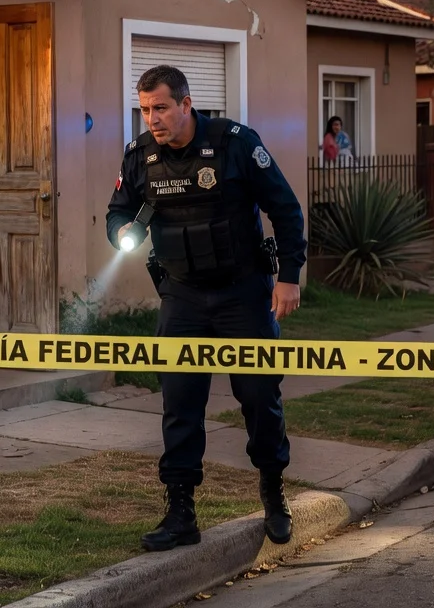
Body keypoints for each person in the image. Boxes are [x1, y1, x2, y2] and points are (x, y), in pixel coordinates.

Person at [107, 64, 307, 552]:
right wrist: (123, 233)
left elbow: (284, 208)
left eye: (161, 108)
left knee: (260, 397)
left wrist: (287, 277)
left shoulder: (236, 142)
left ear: (186, 104)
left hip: (243, 292)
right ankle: (180, 512)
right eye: (145, 109)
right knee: (180, 402)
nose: (152, 118)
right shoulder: (139, 155)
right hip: (182, 295)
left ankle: (272, 490)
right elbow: (117, 210)